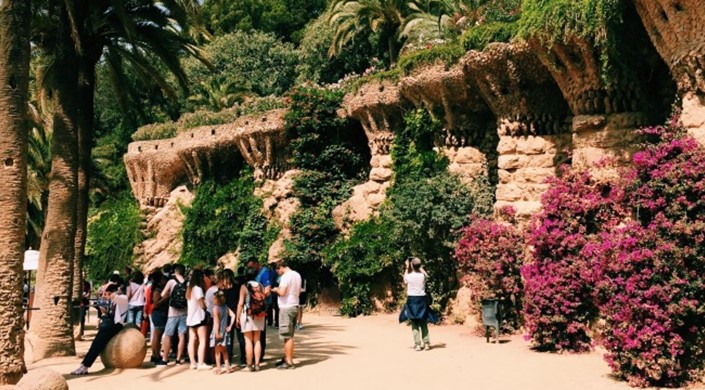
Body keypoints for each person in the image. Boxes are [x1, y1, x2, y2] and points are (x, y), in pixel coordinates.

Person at [70, 284, 128, 375]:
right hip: (110, 322)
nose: (107, 297)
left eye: (108, 294)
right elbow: (113, 313)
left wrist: (116, 290)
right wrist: (105, 313)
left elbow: (113, 296)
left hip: (115, 325)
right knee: (96, 344)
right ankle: (84, 365)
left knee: (97, 344)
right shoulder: (116, 299)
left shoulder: (123, 298)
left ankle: (85, 366)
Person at [399, 257, 437, 351]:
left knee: (414, 322)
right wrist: (419, 266)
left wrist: (407, 266)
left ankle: (417, 344)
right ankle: (427, 343)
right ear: (420, 266)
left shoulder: (409, 276)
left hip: (412, 300)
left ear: (412, 265)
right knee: (423, 321)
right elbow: (426, 274)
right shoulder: (422, 276)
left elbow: (405, 279)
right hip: (422, 299)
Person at [271, 261, 302, 369]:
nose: (278, 273)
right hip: (294, 305)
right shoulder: (297, 275)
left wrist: (276, 290)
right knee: (290, 334)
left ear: (280, 268)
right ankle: (286, 357)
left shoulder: (285, 277)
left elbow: (283, 292)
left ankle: (289, 361)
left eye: (277, 271)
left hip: (286, 307)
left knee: (287, 336)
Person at [236, 278, 267, 371]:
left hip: (247, 315)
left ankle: (249, 365)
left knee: (248, 340)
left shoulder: (244, 286)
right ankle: (257, 364)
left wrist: (237, 317)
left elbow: (241, 303)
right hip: (259, 315)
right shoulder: (261, 286)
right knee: (257, 340)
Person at [160, 264, 188, 365]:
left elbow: (162, 294)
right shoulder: (187, 283)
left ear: (176, 272)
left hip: (172, 313)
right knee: (182, 336)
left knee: (168, 335)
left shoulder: (171, 282)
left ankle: (164, 358)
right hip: (184, 312)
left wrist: (169, 295)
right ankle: (178, 359)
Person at [246, 260, 274, 358]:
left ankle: (259, 355)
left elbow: (268, 290)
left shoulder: (264, 273)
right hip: (257, 306)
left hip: (261, 306)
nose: (251, 269)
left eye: (251, 266)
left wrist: (257, 298)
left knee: (259, 332)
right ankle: (256, 354)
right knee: (257, 332)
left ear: (257, 263)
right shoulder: (258, 273)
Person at [218, 269, 244, 367]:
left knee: (228, 338)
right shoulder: (238, 286)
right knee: (241, 337)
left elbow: (219, 303)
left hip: (226, 315)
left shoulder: (221, 290)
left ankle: (228, 359)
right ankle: (244, 358)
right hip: (238, 313)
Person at [186, 269, 210, 370]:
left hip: (190, 318)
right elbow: (201, 303)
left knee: (192, 340)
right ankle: (200, 363)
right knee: (202, 340)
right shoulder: (198, 289)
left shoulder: (189, 289)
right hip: (199, 317)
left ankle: (193, 362)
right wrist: (206, 309)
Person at [211, 291, 236, 374]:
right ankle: (227, 367)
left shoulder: (215, 308)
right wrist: (230, 326)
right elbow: (233, 315)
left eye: (214, 298)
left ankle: (218, 369)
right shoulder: (226, 307)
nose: (213, 299)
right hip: (225, 331)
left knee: (217, 352)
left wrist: (216, 333)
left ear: (218, 299)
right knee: (225, 351)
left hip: (218, 330)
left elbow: (217, 322)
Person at [148, 271, 168, 365]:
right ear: (160, 281)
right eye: (163, 279)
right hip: (158, 313)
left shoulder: (158, 289)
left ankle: (155, 355)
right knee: (157, 336)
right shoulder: (157, 290)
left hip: (158, 314)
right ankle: (156, 355)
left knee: (157, 336)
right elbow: (156, 303)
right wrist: (165, 298)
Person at [77, 273, 91, 340]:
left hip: (84, 302)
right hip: (77, 302)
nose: (84, 275)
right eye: (82, 274)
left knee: (82, 317)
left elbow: (89, 292)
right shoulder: (76, 283)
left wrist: (86, 295)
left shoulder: (87, 284)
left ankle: (81, 332)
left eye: (85, 274)